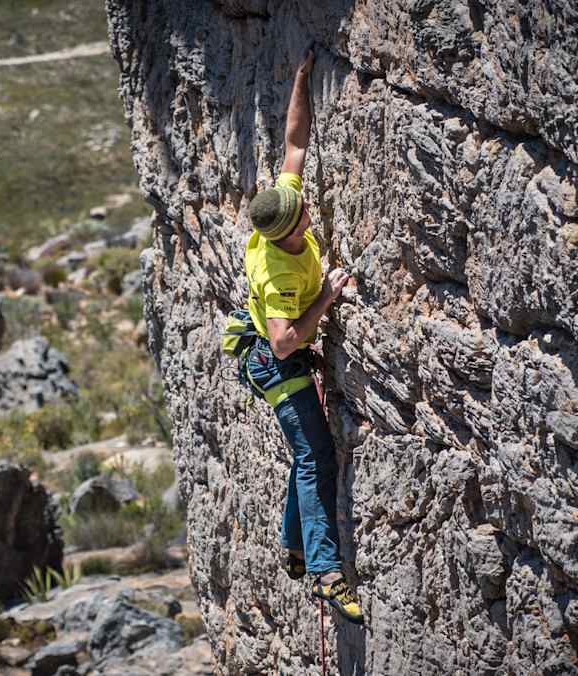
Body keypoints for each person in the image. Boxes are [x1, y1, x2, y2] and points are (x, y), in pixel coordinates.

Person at [242, 48, 363, 625]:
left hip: (274, 351)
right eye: (303, 208)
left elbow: (294, 144)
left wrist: (299, 78)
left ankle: (295, 545)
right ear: (290, 228)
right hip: (275, 362)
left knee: (307, 455)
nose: (308, 202)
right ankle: (324, 573)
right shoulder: (282, 272)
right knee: (316, 458)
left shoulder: (281, 213)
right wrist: (327, 297)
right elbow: (285, 342)